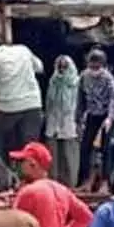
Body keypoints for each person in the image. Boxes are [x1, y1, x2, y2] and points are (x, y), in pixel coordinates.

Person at [0, 34, 44, 162]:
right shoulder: (23, 50)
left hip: (7, 108)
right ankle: (32, 177)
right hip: (32, 104)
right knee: (30, 146)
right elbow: (39, 68)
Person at [77, 49, 114, 185]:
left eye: (97, 66)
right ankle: (85, 180)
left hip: (105, 116)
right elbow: (80, 98)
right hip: (91, 115)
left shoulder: (108, 78)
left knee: (105, 149)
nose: (94, 69)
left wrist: (110, 118)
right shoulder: (84, 76)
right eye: (92, 66)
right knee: (85, 148)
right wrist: (78, 118)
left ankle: (105, 182)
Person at [44, 55, 81, 186]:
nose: (62, 70)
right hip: (53, 124)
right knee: (53, 159)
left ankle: (71, 185)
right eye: (59, 67)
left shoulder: (77, 83)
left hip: (70, 124)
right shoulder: (53, 82)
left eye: (65, 67)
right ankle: (54, 185)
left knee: (69, 158)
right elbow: (49, 103)